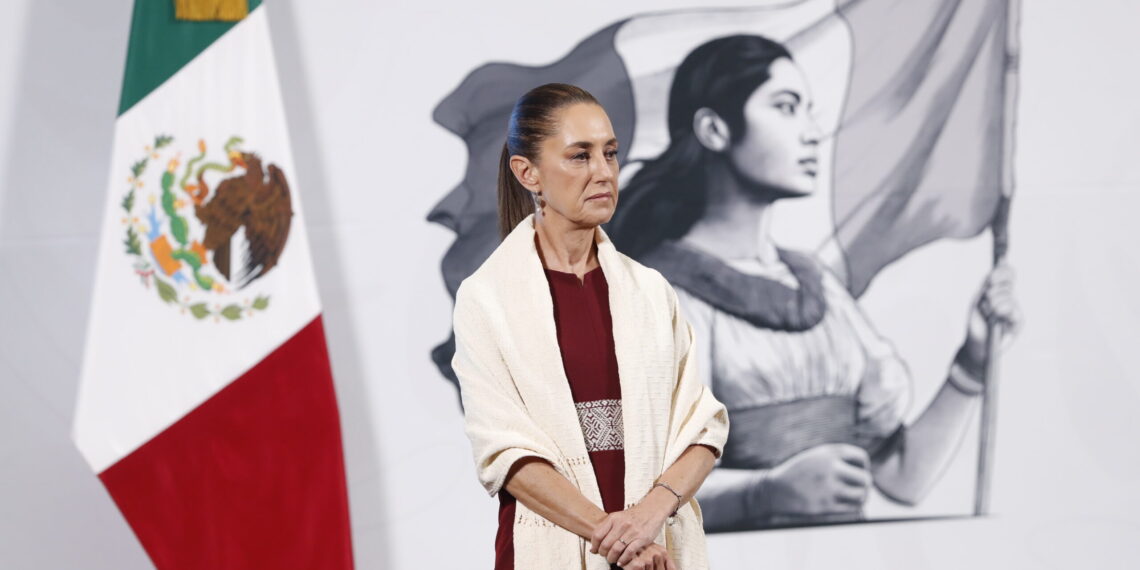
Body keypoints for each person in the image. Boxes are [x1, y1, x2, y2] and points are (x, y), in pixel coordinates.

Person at [607, 35, 1022, 531]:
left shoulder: (817, 285)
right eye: (786, 108)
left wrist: (972, 363)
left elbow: (901, 478)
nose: (811, 133)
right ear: (714, 129)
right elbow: (627, 497)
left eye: (808, 110)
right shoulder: (655, 292)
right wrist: (764, 494)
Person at [451, 83, 730, 569]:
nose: (604, 172)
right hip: (552, 551)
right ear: (528, 172)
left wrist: (648, 519)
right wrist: (620, 539)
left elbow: (702, 430)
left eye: (611, 153)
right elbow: (506, 455)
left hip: (660, 552)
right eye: (580, 156)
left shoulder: (650, 290)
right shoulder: (486, 298)